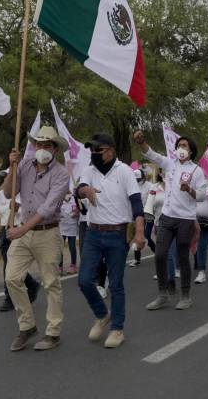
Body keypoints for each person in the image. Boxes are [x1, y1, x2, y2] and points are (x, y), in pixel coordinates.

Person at [1, 126, 72, 352]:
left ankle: (53, 332)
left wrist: (21, 231)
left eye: (47, 145)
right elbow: (7, 192)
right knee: (12, 278)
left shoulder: (61, 173)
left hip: (47, 232)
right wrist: (12, 167)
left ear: (55, 149)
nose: (42, 149)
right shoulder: (24, 165)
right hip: (24, 231)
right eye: (38, 144)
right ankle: (27, 326)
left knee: (51, 282)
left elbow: (48, 208)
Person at [76, 133, 145, 349]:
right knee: (85, 280)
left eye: (98, 150)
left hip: (117, 234)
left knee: (115, 284)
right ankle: (101, 314)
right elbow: (77, 189)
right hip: (93, 233)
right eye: (92, 150)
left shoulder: (123, 171)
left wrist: (140, 231)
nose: (94, 154)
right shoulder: (89, 170)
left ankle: (117, 329)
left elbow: (136, 203)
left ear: (110, 151)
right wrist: (83, 190)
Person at [133, 130, 206, 311]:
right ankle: (163, 295)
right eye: (179, 145)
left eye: (185, 146)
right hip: (166, 218)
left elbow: (202, 196)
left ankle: (185, 296)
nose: (181, 148)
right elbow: (151, 154)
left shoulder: (197, 170)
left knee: (182, 257)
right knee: (160, 255)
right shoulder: (169, 164)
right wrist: (142, 141)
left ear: (191, 151)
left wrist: (189, 189)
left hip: (185, 220)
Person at [0, 177, 40, 312]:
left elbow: (34, 212)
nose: (7, 180)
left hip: (19, 230)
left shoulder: (26, 193)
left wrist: (18, 209)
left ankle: (9, 297)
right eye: (5, 177)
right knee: (9, 263)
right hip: (4, 231)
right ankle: (32, 284)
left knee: (9, 264)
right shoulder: (1, 195)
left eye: (10, 177)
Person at [129, 169, 153, 267]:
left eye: (139, 179)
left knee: (146, 235)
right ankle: (137, 259)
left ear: (143, 177)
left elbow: (152, 199)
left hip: (147, 213)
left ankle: (156, 250)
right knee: (136, 235)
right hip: (135, 213)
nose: (137, 181)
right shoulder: (133, 185)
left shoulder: (149, 185)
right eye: (136, 179)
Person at [59, 192, 80, 275]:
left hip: (72, 226)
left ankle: (73, 265)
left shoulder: (75, 199)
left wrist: (77, 213)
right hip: (62, 226)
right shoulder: (59, 199)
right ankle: (59, 266)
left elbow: (80, 210)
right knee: (60, 247)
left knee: (72, 247)